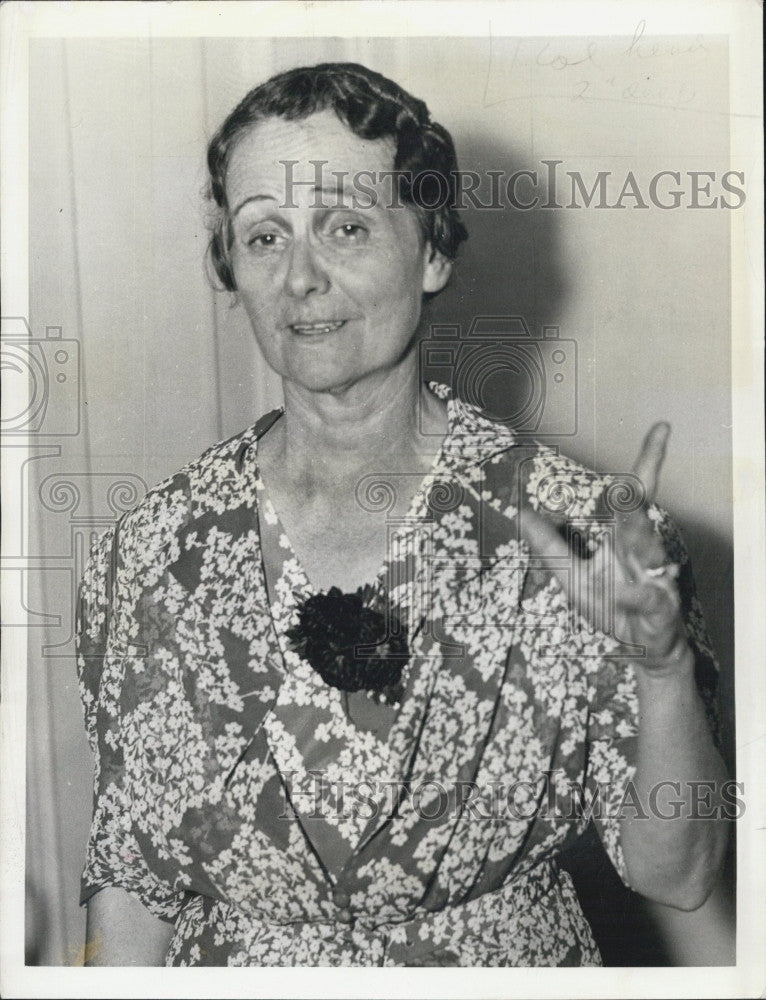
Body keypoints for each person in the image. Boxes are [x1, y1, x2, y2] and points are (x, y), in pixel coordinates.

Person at [76, 62, 729, 967]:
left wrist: (662, 672)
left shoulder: (581, 532)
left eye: (345, 226)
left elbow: (680, 874)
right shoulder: (149, 552)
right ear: (232, 266)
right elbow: (134, 885)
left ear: (432, 251)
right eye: (264, 236)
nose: (301, 277)